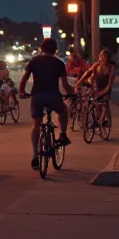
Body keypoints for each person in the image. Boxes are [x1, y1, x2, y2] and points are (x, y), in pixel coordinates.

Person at [19, 37, 75, 170]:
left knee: (36, 125)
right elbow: (66, 85)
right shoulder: (59, 63)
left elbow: (24, 78)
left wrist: (22, 91)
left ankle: (34, 155)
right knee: (63, 111)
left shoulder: (34, 61)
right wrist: (71, 94)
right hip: (53, 96)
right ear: (55, 49)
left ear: (41, 48)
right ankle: (62, 134)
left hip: (37, 96)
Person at [77, 48, 116, 123]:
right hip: (97, 86)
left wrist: (106, 90)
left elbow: (110, 82)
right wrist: (78, 82)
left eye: (105, 57)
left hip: (105, 87)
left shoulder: (111, 67)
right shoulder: (97, 65)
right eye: (101, 56)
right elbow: (87, 73)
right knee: (96, 104)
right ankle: (97, 119)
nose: (103, 58)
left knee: (105, 102)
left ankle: (108, 120)